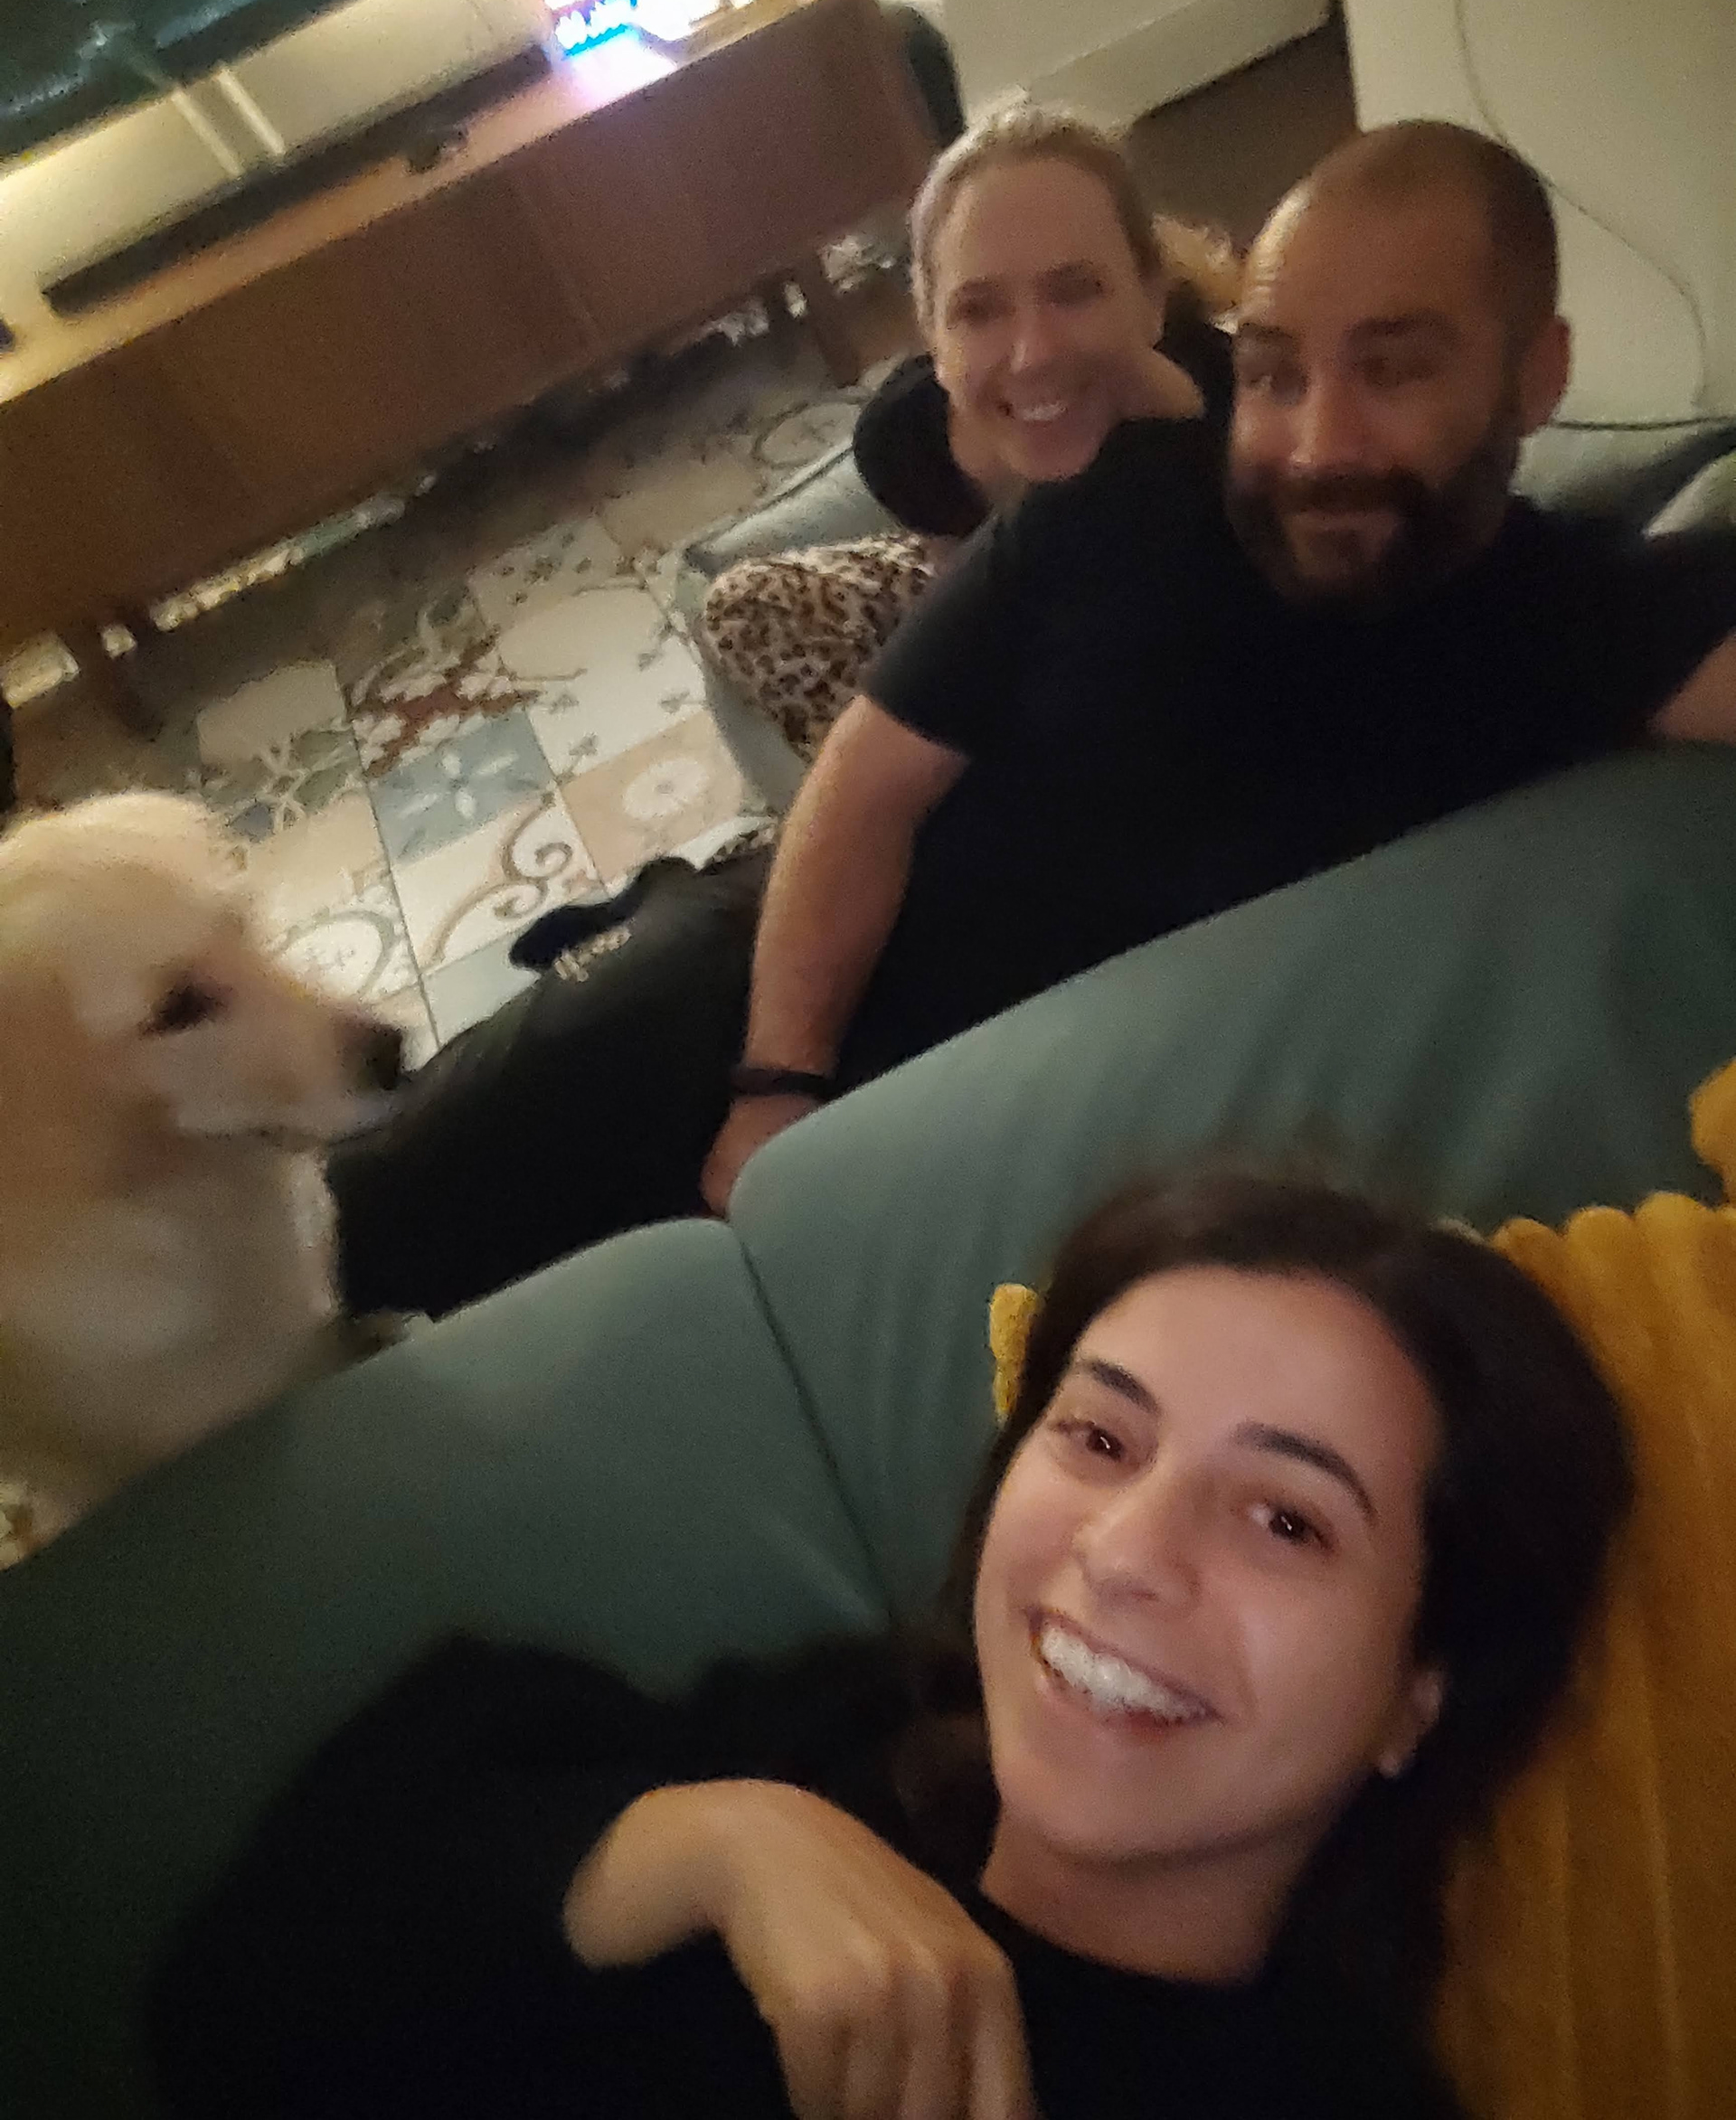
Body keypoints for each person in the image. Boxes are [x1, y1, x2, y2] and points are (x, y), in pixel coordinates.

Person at [328, 119, 1736, 1319]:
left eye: (1397, 367)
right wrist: (775, 1088)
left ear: (1536, 377)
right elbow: (860, 790)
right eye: (1275, 373)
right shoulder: (1123, 505)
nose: (1317, 445)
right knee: (338, 1228)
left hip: (945, 1163)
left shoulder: (1575, 623)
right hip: (730, 1008)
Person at [147, 1173, 1632, 2120]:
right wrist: (708, 1846)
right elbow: (224, 2010)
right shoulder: (849, 1723)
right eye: (1100, 1436)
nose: (1125, 1554)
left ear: (1417, 1696)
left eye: (1288, 1521)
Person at [700, 103, 1240, 759]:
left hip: (1165, 619)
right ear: (933, 335)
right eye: (978, 310)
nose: (1033, 354)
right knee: (741, 604)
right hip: (1012, 605)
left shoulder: (1227, 411)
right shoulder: (905, 440)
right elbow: (965, 597)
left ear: (1151, 297)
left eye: (1075, 291)